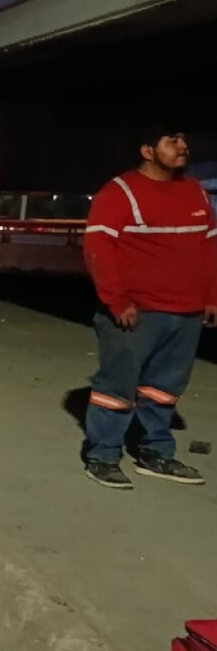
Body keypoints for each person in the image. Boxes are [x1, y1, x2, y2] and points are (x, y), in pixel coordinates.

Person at [80, 124, 215, 488]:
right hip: (135, 313)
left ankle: (155, 452)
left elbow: (208, 248)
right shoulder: (119, 193)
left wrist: (211, 296)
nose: (183, 146)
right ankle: (103, 455)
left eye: (185, 139)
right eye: (172, 140)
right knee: (117, 385)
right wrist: (117, 301)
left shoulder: (194, 193)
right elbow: (98, 252)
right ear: (147, 151)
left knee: (165, 387)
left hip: (185, 313)